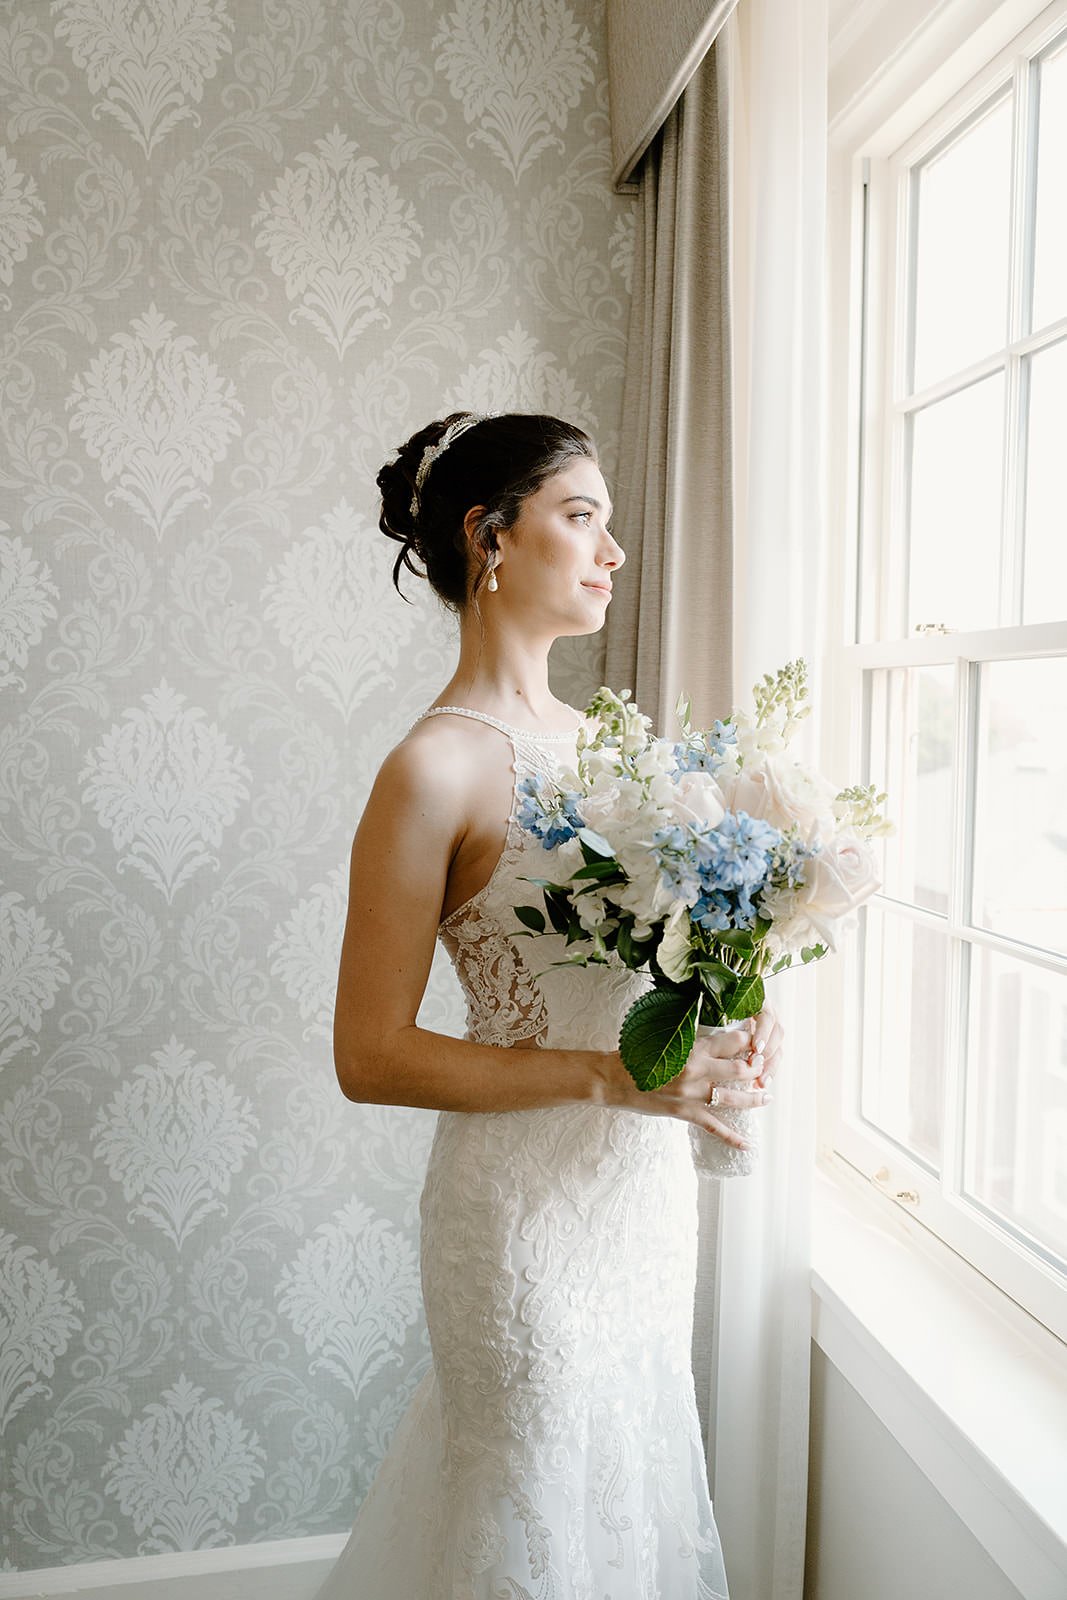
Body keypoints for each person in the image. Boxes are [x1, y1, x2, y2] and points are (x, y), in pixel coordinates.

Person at [318, 412, 784, 1599]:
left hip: (636, 1201)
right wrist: (605, 1079)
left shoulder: (617, 754)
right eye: (581, 516)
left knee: (621, 1492)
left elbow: (655, 962)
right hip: (515, 1220)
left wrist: (730, 1007)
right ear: (489, 536)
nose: (613, 550)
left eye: (609, 523)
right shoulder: (433, 768)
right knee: (524, 1504)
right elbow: (368, 1055)